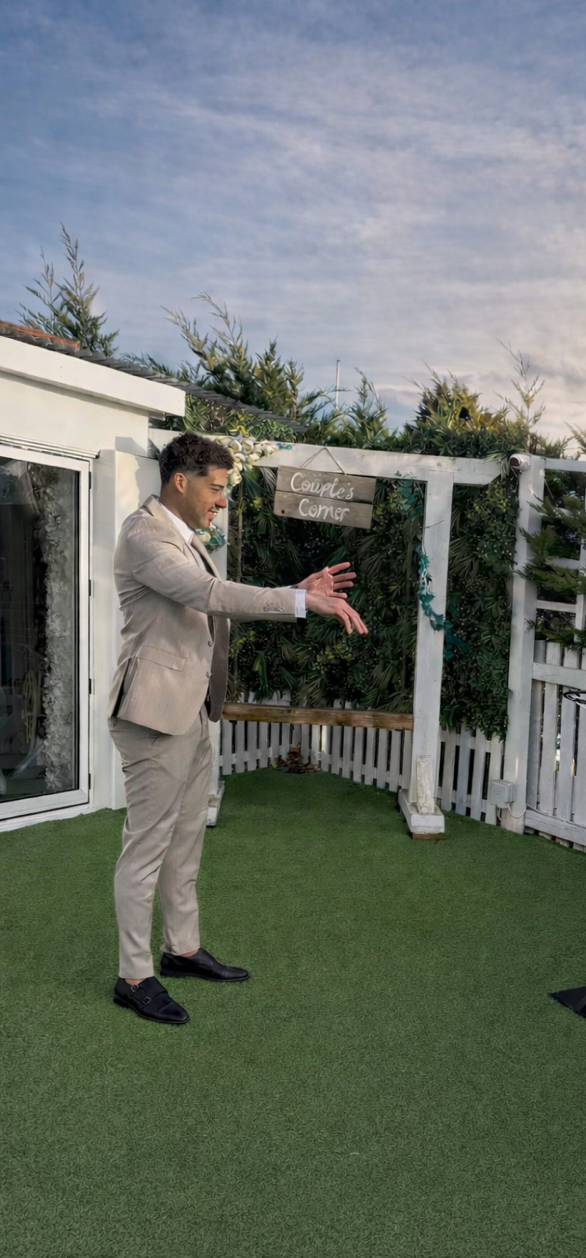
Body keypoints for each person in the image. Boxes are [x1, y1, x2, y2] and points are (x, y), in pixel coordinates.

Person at [108, 432, 367, 1026]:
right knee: (146, 847)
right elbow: (210, 594)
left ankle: (183, 948)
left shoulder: (184, 537)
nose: (221, 500)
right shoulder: (145, 535)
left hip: (194, 709)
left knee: (186, 840)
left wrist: (296, 590)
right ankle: (133, 974)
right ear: (182, 480)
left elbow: (209, 598)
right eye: (216, 488)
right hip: (152, 713)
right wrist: (299, 604)